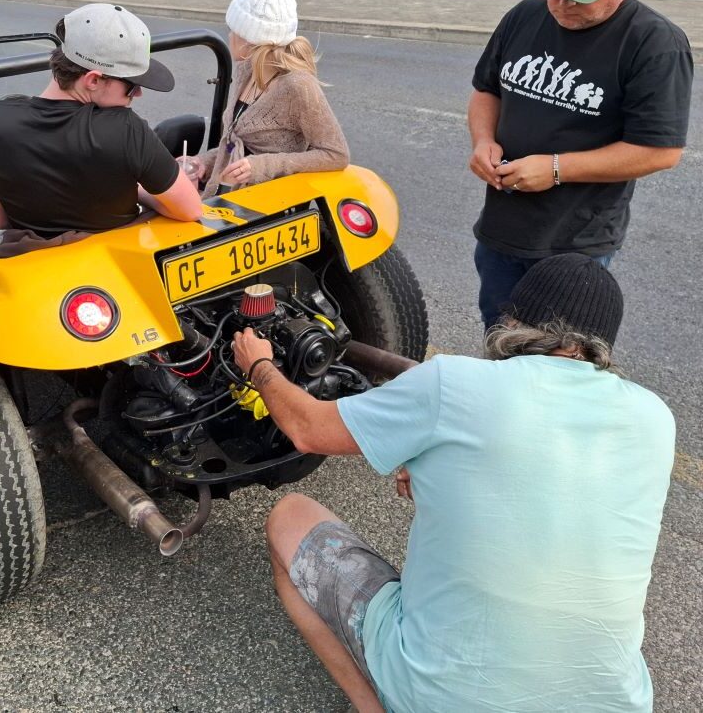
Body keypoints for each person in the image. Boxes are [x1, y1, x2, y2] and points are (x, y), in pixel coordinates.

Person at [232, 254, 673, 713]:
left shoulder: (455, 382)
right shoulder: (655, 418)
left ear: (515, 322)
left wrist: (259, 365)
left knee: (290, 517)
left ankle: (377, 705)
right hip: (614, 703)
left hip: (449, 699)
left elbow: (307, 429)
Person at [468, 0, 692, 328]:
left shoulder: (655, 44)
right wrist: (482, 141)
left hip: (573, 240)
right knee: (498, 332)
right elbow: (487, 90)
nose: (563, 4)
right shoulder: (525, 15)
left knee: (557, 353)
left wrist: (556, 169)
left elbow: (660, 150)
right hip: (502, 226)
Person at [0, 3, 201, 254]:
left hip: (30, 268)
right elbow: (191, 209)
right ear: (93, 80)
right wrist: (139, 191)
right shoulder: (126, 130)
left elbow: (1, 221)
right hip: (114, 268)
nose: (138, 93)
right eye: (131, 85)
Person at [182, 0, 349, 198]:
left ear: (250, 39)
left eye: (234, 29)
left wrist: (263, 166)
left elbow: (336, 154)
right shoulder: (245, 70)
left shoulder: (298, 85)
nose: (229, 35)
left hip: (268, 209)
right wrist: (204, 162)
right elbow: (237, 142)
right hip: (229, 196)